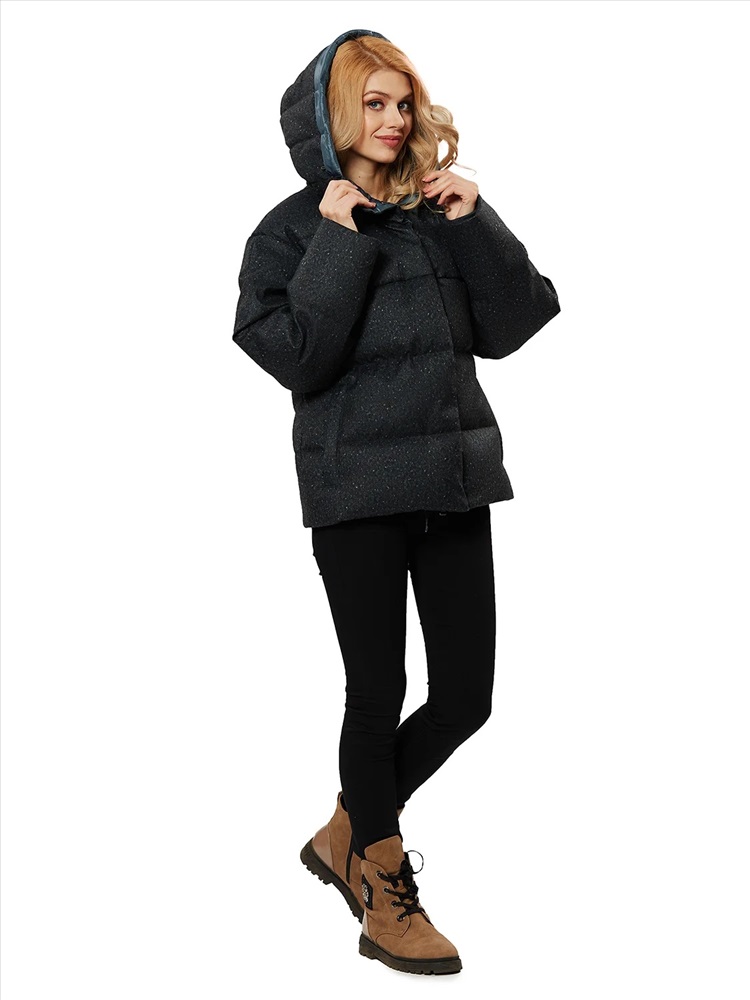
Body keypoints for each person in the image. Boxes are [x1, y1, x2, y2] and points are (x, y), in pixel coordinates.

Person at [232, 28, 561, 976]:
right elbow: (297, 358)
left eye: (402, 101)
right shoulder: (290, 231)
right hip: (356, 491)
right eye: (372, 102)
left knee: (465, 698)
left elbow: (517, 324)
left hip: (453, 480)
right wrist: (337, 241)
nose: (392, 119)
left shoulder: (434, 213)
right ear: (333, 114)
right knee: (377, 695)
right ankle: (382, 887)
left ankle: (349, 828)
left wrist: (477, 222)